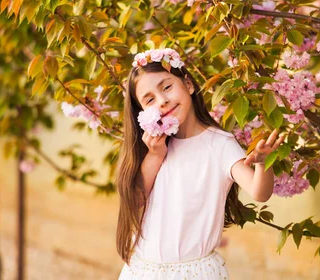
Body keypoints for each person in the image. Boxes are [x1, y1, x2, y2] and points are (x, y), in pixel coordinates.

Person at [116, 48, 285, 279]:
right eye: (150, 99)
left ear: (188, 84)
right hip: (144, 269)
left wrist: (263, 163)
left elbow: (259, 191)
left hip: (193, 272)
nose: (163, 101)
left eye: (167, 87)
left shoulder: (219, 145)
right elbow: (135, 201)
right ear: (143, 113)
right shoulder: (156, 149)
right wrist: (155, 155)